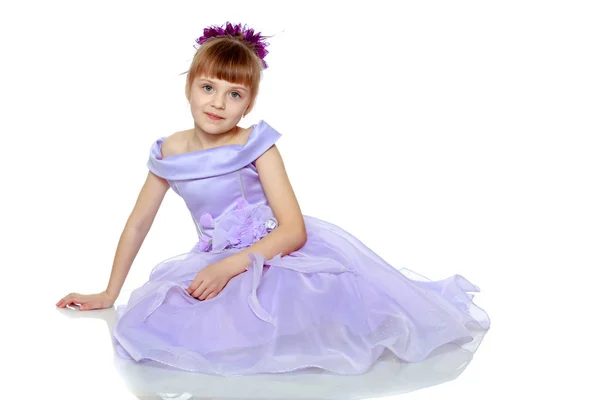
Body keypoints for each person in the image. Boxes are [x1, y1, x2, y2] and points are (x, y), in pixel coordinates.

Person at [56, 22, 491, 376]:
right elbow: (138, 222)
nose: (218, 103)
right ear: (188, 88)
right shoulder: (167, 152)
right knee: (172, 322)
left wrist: (229, 266)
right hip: (216, 254)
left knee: (307, 313)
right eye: (208, 88)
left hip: (274, 251)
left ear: (248, 105)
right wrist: (110, 292)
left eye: (234, 94)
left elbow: (293, 229)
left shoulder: (257, 145)